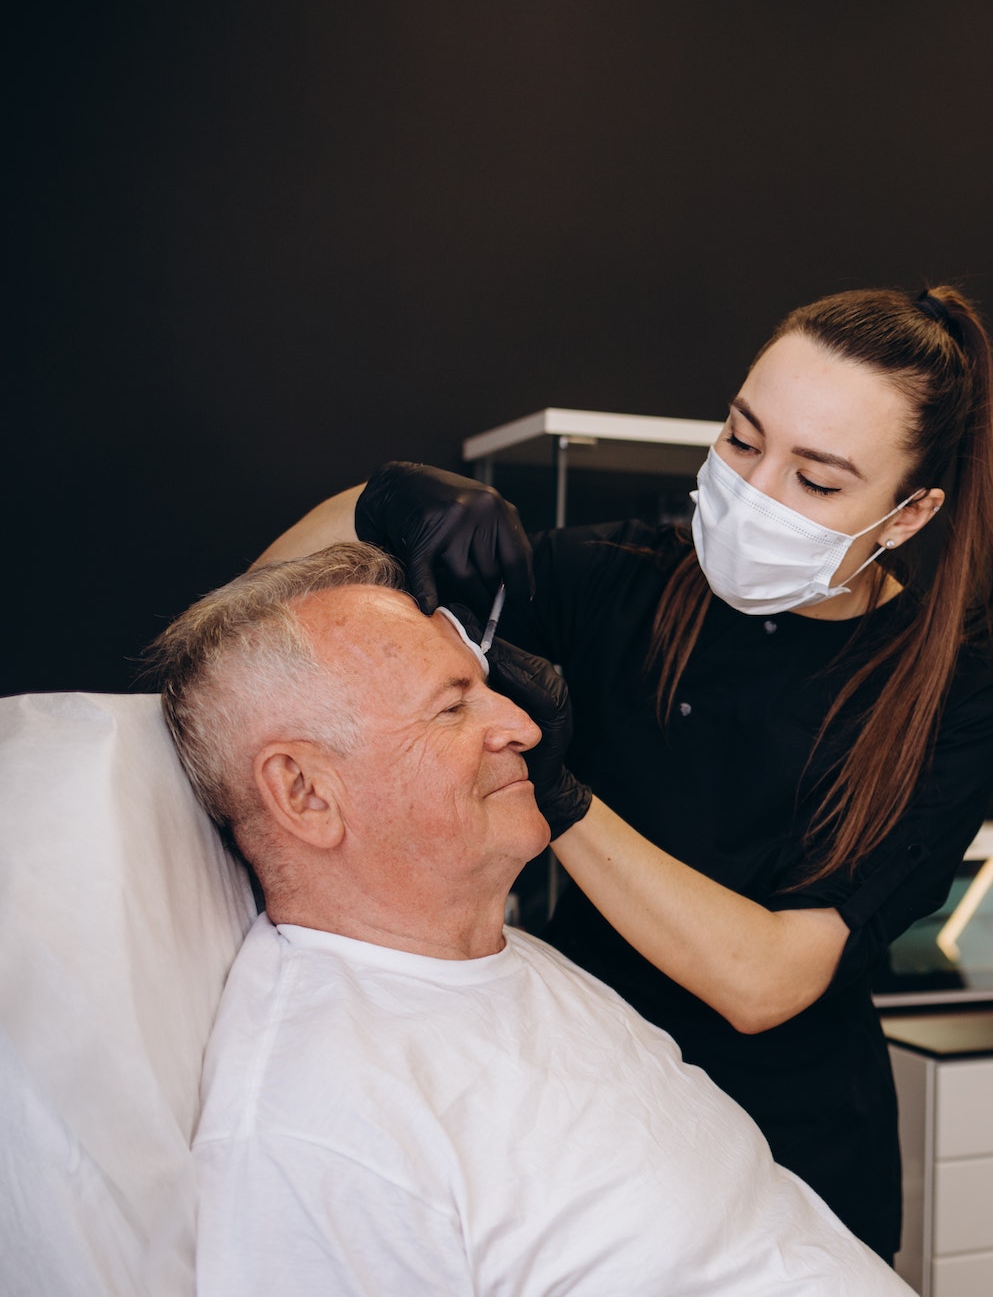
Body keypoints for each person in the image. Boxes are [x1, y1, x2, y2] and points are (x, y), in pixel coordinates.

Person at [256, 285, 993, 1257]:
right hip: (587, 1104)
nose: (755, 490)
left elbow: (765, 979)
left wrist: (561, 793)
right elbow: (260, 619)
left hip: (798, 1157)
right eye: (743, 440)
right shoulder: (611, 579)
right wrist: (375, 508)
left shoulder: (950, 706)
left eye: (817, 481)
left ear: (907, 514)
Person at [147, 543, 910, 1295]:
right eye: (452, 706)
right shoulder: (321, 1130)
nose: (524, 724)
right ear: (307, 794)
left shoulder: (519, 966)